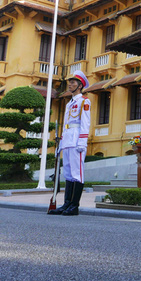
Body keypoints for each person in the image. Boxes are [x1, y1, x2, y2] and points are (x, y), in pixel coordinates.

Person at [49, 70, 91, 216]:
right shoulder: (69, 103)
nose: (70, 85)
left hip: (77, 140)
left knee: (77, 173)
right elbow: (66, 124)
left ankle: (74, 206)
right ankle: (67, 203)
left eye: (73, 82)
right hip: (67, 140)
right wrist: (61, 144)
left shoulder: (84, 101)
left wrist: (82, 142)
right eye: (69, 82)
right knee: (68, 173)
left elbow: (85, 123)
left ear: (80, 85)